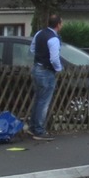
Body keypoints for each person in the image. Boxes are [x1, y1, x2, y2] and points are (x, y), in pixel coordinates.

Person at [28, 13, 64, 141]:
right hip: (46, 71)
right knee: (44, 102)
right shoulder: (53, 39)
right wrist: (59, 69)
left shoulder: (39, 34)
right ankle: (39, 130)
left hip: (37, 68)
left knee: (38, 99)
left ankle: (33, 127)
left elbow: (32, 49)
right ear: (58, 25)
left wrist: (40, 55)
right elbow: (54, 58)